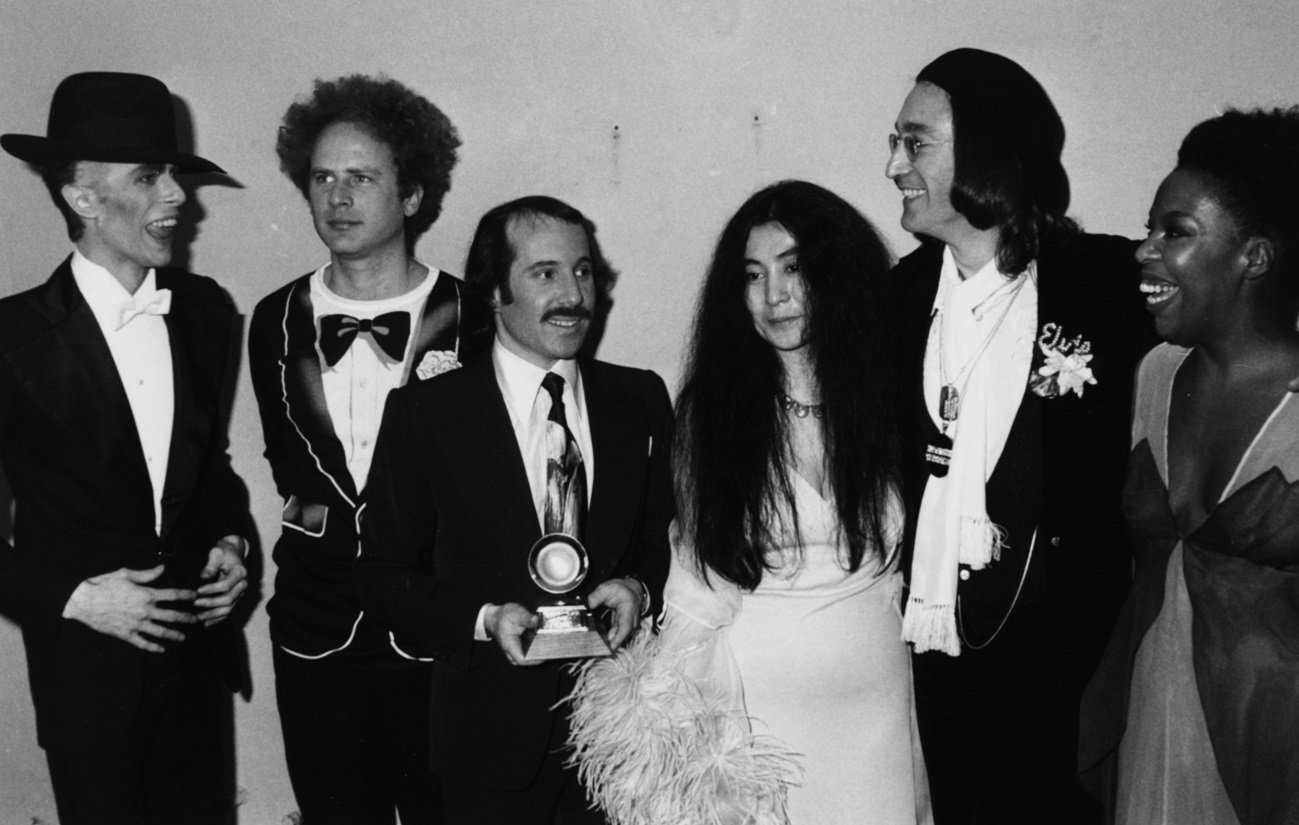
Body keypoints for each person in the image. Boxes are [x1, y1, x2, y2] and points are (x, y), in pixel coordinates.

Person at [568, 180, 931, 825]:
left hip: (879, 708)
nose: (774, 296)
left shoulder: (893, 395)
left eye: (794, 269)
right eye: (754, 275)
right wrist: (665, 731)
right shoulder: (715, 414)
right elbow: (698, 582)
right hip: (760, 721)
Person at [883, 48, 1155, 823]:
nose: (893, 164)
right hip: (932, 649)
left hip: (1069, 662)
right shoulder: (893, 300)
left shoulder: (1102, 281)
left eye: (914, 142)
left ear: (986, 151)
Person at [356, 195, 673, 825]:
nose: (573, 295)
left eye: (583, 271)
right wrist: (482, 619)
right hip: (487, 750)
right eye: (545, 273)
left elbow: (667, 539)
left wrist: (638, 586)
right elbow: (384, 577)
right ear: (494, 292)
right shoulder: (428, 414)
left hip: (622, 745)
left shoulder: (638, 397)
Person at [0, 72, 249, 825]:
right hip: (88, 683)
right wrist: (79, 598)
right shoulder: (10, 341)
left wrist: (233, 539)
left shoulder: (205, 312)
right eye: (149, 177)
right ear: (81, 196)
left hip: (197, 671)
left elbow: (207, 470)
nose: (178, 196)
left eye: (172, 174)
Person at [247, 74, 467, 824]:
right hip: (317, 629)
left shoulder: (471, 315)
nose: (337, 198)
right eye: (322, 178)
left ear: (411, 195)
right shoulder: (273, 318)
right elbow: (289, 464)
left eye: (362, 177)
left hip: (439, 634)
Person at [1079, 107, 1299, 825]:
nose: (1144, 250)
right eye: (1149, 228)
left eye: (1175, 232)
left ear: (1254, 257)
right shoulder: (1153, 374)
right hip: (1149, 728)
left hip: (1273, 759)